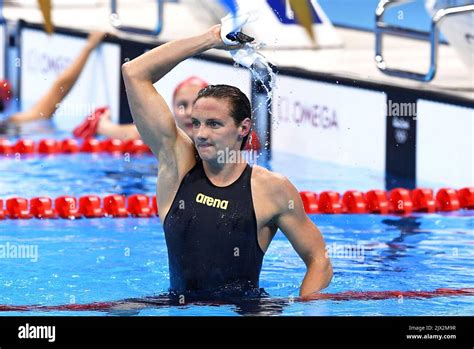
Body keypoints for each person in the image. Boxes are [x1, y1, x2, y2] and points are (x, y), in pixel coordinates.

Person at [122, 24, 332, 297]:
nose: (200, 134)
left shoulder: (271, 188)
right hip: (179, 306)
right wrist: (210, 39)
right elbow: (134, 72)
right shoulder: (178, 166)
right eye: (196, 123)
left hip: (246, 310)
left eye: (214, 124)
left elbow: (320, 261)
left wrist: (307, 307)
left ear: (243, 128)